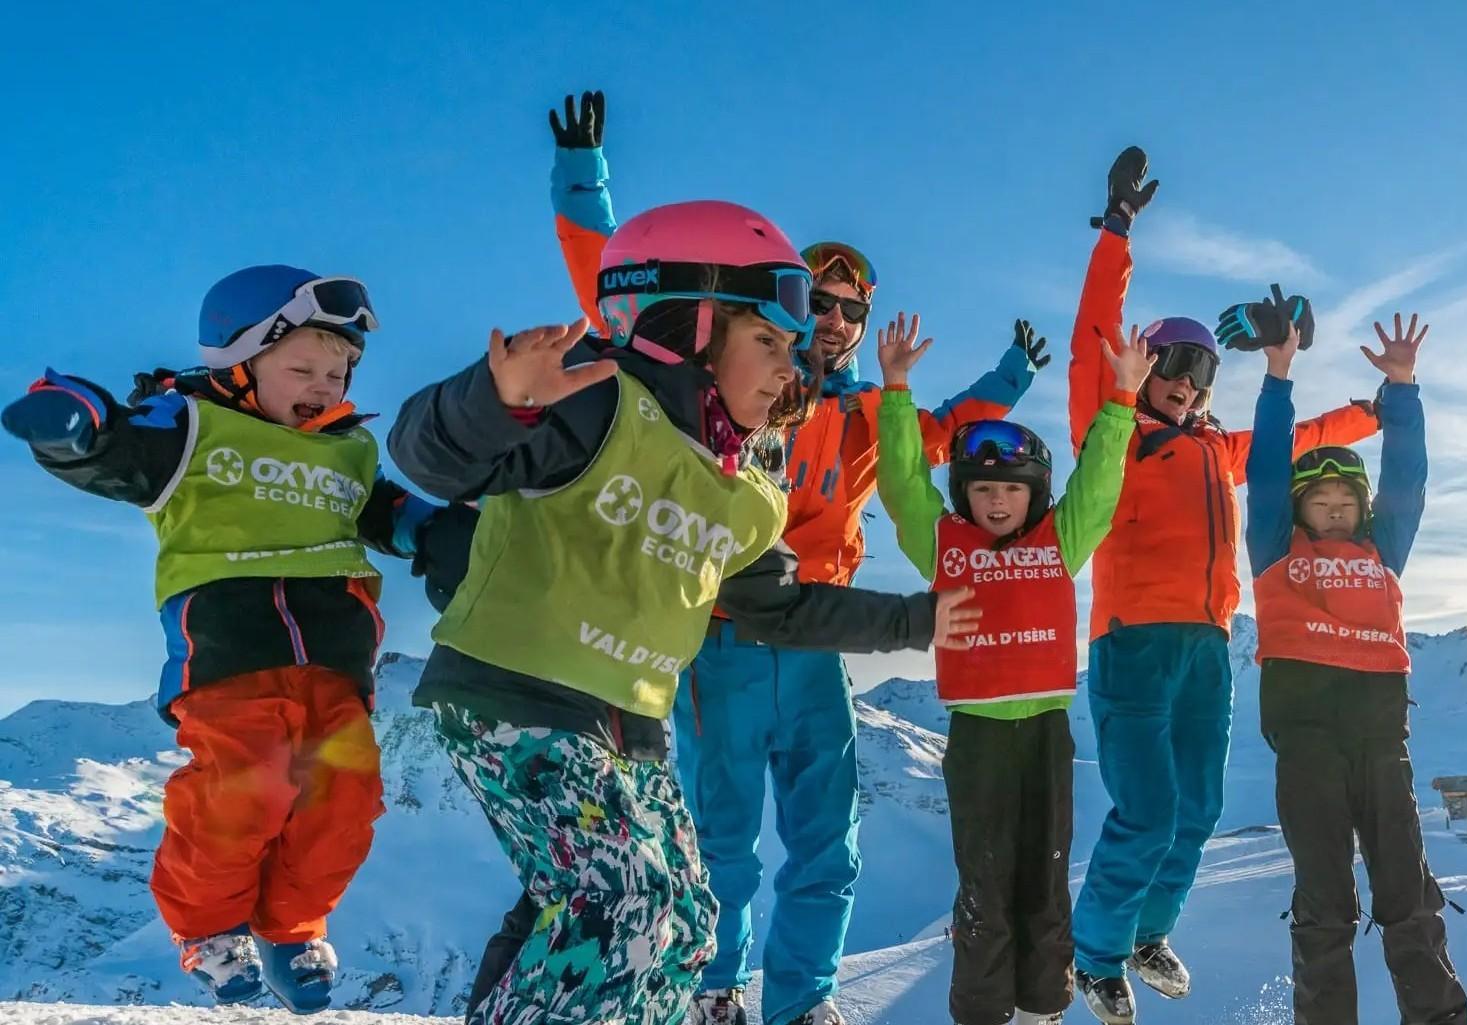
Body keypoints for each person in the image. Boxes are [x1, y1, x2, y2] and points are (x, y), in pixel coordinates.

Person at [385, 200, 982, 1025]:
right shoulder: (598, 403)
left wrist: (917, 621)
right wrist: (496, 401)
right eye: (768, 341)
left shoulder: (744, 492)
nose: (792, 363)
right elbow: (429, 454)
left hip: (624, 723)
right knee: (620, 903)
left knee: (688, 924)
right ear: (694, 330)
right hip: (513, 697)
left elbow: (780, 608)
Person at [545, 92, 1039, 1025]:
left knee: (827, 842)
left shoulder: (859, 416)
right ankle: (713, 990)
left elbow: (946, 430)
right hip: (723, 635)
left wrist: (1013, 378)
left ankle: (805, 1000)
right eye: (821, 302)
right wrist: (583, 180)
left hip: (819, 641)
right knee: (722, 840)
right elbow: (622, 294)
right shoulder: (739, 386)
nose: (837, 320)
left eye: (852, 308)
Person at [1, 266, 455, 1014]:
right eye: (302, 366)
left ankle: (292, 928)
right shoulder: (190, 429)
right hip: (231, 657)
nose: (324, 382)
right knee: (242, 791)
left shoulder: (349, 451)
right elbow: (113, 445)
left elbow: (390, 513)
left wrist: (442, 533)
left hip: (338, 666)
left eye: (338, 369)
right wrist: (73, 421)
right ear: (238, 363)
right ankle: (210, 928)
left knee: (345, 801)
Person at [1062, 147, 1382, 1025]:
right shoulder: (1115, 428)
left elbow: (1296, 436)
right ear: (1146, 363)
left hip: (1208, 645)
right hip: (1131, 642)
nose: (1190, 384)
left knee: (1197, 807)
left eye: (1205, 374)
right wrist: (1118, 230)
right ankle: (1090, 954)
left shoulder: (1214, 448)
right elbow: (1096, 321)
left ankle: (1145, 931)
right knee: (1149, 807)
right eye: (1175, 365)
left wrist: (1377, 411)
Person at [874, 315, 1152, 1025]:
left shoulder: (1063, 538)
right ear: (965, 494)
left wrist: (1123, 399)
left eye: (1012, 490)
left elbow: (1098, 482)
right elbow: (905, 486)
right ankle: (984, 1012)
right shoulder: (944, 545)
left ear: (1035, 493)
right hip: (978, 740)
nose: (997, 501)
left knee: (1046, 879)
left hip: (1046, 735)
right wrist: (898, 392)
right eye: (983, 490)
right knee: (984, 887)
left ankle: (1043, 1010)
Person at [1245, 314, 1467, 1024]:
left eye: (1347, 501)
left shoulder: (1383, 552)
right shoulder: (1277, 552)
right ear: (1300, 509)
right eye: (1322, 501)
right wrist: (1278, 376)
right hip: (1307, 743)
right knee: (1325, 901)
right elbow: (1265, 469)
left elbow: (1409, 477)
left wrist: (1401, 390)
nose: (1336, 510)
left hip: (1380, 741)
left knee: (1406, 892)